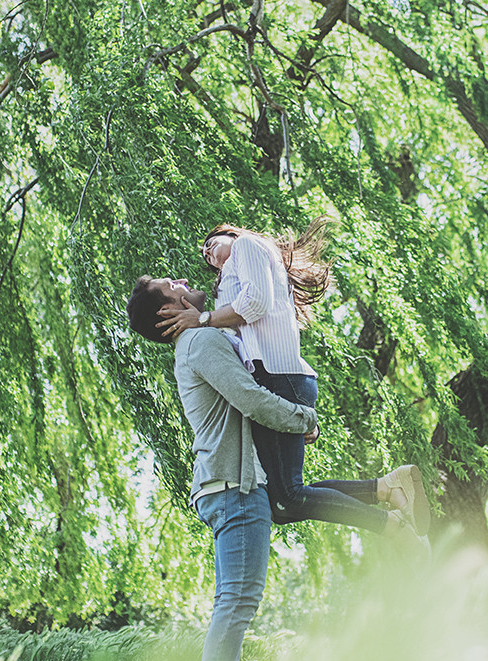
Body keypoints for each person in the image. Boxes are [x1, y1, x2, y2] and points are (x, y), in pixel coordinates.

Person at [126, 275, 423, 661]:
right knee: (235, 603)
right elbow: (248, 397)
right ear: (167, 309)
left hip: (231, 484)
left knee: (288, 502)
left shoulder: (202, 339)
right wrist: (304, 418)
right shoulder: (200, 342)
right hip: (234, 486)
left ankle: (385, 490)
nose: (181, 280)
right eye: (170, 283)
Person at [156, 220, 430, 538]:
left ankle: (391, 520)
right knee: (282, 500)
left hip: (278, 377)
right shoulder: (236, 271)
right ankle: (385, 489)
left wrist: (203, 318)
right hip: (275, 381)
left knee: (287, 499)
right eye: (206, 257)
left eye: (211, 244)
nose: (209, 255)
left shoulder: (247, 247)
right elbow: (236, 344)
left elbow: (256, 303)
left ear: (231, 233)